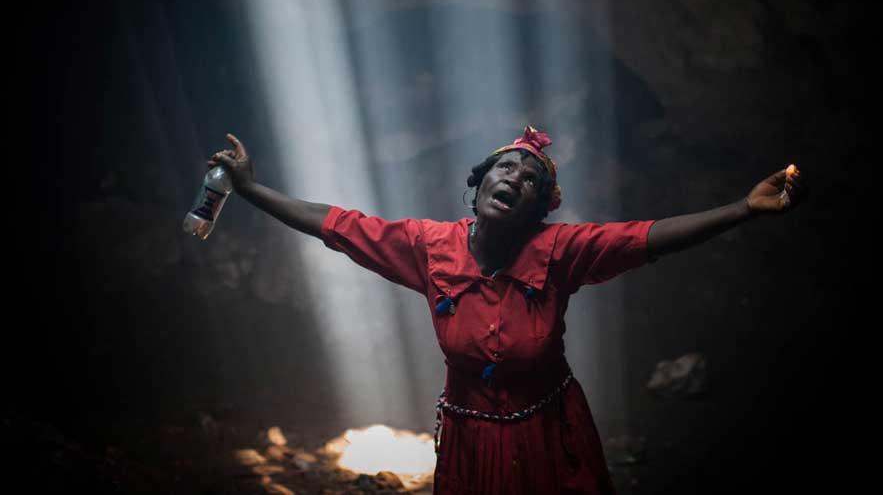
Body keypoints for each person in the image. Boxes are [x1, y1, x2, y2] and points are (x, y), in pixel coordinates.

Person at [208, 126, 807, 495]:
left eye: (530, 178)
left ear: (539, 208)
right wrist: (252, 190)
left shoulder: (562, 251)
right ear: (477, 186)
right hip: (472, 440)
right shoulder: (427, 246)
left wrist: (743, 209)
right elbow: (336, 225)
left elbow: (648, 236)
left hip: (552, 434)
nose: (514, 177)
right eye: (504, 168)